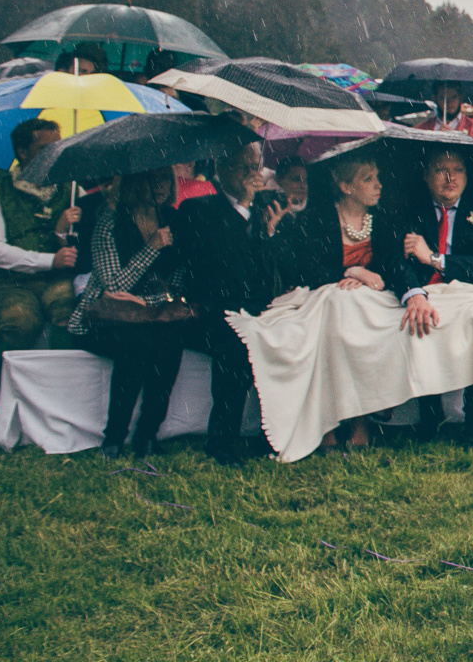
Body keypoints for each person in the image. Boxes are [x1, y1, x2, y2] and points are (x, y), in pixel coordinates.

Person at [273, 148, 396, 449]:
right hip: (328, 293)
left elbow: (390, 265)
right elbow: (309, 268)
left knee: (360, 321)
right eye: (368, 179)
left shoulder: (382, 218)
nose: (378, 185)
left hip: (370, 298)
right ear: (345, 187)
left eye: (377, 178)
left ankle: (360, 420)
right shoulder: (319, 216)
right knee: (335, 323)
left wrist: (367, 279)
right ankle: (327, 424)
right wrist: (352, 270)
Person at [65, 168, 194, 455]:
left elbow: (177, 280)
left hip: (152, 312)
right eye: (154, 178)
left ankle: (148, 433)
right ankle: (114, 437)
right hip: (105, 316)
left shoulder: (169, 219)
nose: (161, 185)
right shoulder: (109, 220)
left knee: (170, 344)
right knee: (137, 346)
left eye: (165, 178)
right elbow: (113, 285)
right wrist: (151, 247)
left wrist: (147, 302)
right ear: (135, 181)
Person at [388, 146, 473, 439]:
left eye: (457, 170)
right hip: (426, 289)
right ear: (427, 175)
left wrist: (434, 259)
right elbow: (394, 260)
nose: (450, 177)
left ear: (467, 176)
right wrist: (414, 293)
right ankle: (428, 414)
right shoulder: (410, 206)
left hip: (472, 290)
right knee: (417, 318)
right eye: (441, 170)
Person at [176, 138, 286, 462]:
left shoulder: (264, 209)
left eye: (257, 167)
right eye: (246, 168)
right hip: (213, 307)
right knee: (236, 349)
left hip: (258, 306)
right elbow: (217, 261)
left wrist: (270, 234)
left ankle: (276, 434)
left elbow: (271, 271)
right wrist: (243, 208)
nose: (254, 175)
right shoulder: (197, 209)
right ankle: (221, 441)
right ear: (222, 169)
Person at [0, 117, 81, 414]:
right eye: (46, 147)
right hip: (9, 282)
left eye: (58, 146)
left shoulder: (72, 191)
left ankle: (59, 391)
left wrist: (63, 234)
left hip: (57, 280)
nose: (55, 152)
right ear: (22, 151)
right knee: (22, 321)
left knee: (70, 314)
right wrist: (48, 260)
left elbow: (82, 243)